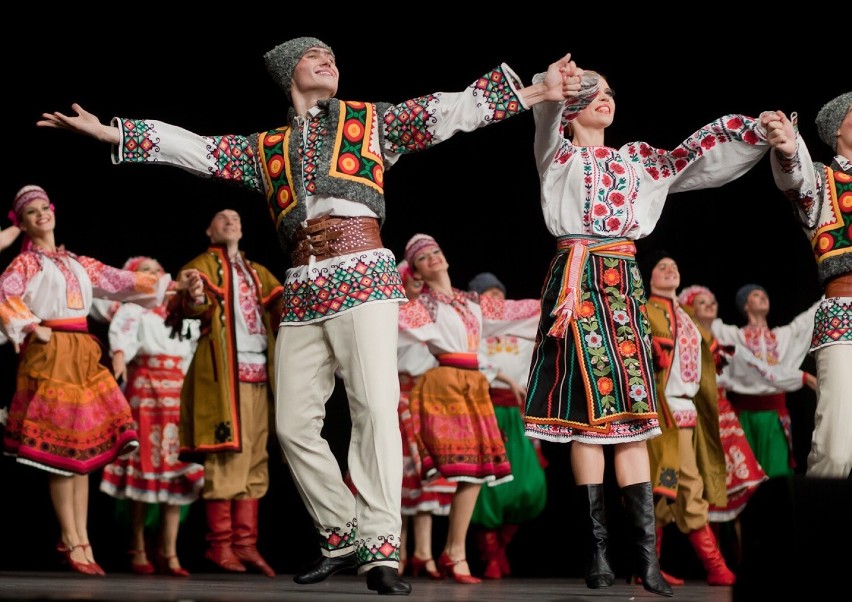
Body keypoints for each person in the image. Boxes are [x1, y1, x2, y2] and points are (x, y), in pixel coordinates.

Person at [37, 36, 580, 595]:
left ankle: (382, 548)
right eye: (314, 57)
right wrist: (114, 133)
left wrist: (538, 88)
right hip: (302, 286)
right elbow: (196, 149)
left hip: (364, 273)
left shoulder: (367, 122)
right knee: (293, 423)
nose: (330, 63)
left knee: (373, 409)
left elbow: (449, 111)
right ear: (287, 74)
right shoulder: (264, 147)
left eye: (335, 58)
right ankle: (342, 532)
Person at [522, 67, 775, 597]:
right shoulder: (559, 153)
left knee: (636, 415)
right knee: (587, 418)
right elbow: (545, 118)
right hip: (578, 282)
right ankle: (596, 553)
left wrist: (753, 131)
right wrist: (554, 91)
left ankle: (646, 557)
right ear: (573, 108)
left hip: (623, 283)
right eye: (594, 94)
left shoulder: (635, 159)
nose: (606, 100)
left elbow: (693, 158)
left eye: (610, 93)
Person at [0, 184, 183, 576]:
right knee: (61, 454)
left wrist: (171, 285)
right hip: (52, 352)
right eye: (30, 212)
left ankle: (81, 539)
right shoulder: (26, 264)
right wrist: (32, 324)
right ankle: (71, 538)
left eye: (43, 208)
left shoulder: (77, 262)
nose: (39, 215)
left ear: (53, 210)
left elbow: (122, 281)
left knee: (79, 455)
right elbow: (4, 294)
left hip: (82, 352)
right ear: (24, 223)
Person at [397, 234, 541, 584]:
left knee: (479, 470)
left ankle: (454, 552)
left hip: (475, 385)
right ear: (415, 269)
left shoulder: (471, 301)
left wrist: (562, 300)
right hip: (445, 383)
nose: (432, 258)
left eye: (436, 252)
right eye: (423, 257)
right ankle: (413, 552)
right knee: (458, 469)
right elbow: (386, 327)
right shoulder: (420, 307)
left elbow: (520, 311)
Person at [165, 208, 283, 578]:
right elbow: (187, 307)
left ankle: (246, 544)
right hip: (222, 377)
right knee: (226, 454)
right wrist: (196, 297)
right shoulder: (200, 266)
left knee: (255, 458)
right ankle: (220, 544)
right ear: (208, 229)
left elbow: (284, 309)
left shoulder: (258, 272)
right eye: (222, 218)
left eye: (236, 217)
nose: (231, 220)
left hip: (259, 376)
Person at [762, 92, 852, 479]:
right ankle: (819, 531)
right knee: (836, 451)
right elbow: (794, 175)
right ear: (837, 131)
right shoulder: (823, 179)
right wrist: (787, 146)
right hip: (845, 314)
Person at [98, 256, 204, 577]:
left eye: (157, 271)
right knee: (143, 467)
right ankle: (139, 547)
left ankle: (169, 552)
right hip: (144, 394)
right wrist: (118, 357)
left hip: (177, 396)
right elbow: (122, 339)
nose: (153, 275)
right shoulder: (133, 309)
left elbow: (194, 348)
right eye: (144, 272)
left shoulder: (183, 310)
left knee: (176, 471)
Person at [639, 251, 735, 587]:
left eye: (674, 267)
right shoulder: (645, 310)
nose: (669, 270)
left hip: (687, 412)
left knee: (661, 490)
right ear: (651, 279)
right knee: (686, 486)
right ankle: (715, 567)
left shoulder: (686, 317)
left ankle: (646, 565)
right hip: (664, 413)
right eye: (661, 267)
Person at [467, 271, 547, 580]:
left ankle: (500, 545)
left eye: (500, 295)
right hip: (485, 408)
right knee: (489, 487)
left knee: (529, 485)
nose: (497, 300)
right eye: (489, 296)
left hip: (517, 412)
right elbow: (472, 361)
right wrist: (505, 379)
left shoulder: (520, 331)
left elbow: (537, 362)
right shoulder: (474, 329)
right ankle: (490, 556)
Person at [710, 284, 818, 478]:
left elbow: (810, 317)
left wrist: (839, 287)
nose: (762, 297)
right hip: (744, 417)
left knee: (778, 476)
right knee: (747, 475)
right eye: (755, 295)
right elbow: (707, 323)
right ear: (745, 305)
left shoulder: (783, 336)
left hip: (774, 417)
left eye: (765, 295)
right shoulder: (735, 336)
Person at [395, 260, 454, 580]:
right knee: (398, 479)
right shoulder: (392, 314)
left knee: (427, 481)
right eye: (412, 279)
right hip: (397, 400)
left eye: (421, 280)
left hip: (428, 402)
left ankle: (424, 553)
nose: (418, 283)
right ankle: (397, 553)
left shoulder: (434, 315)